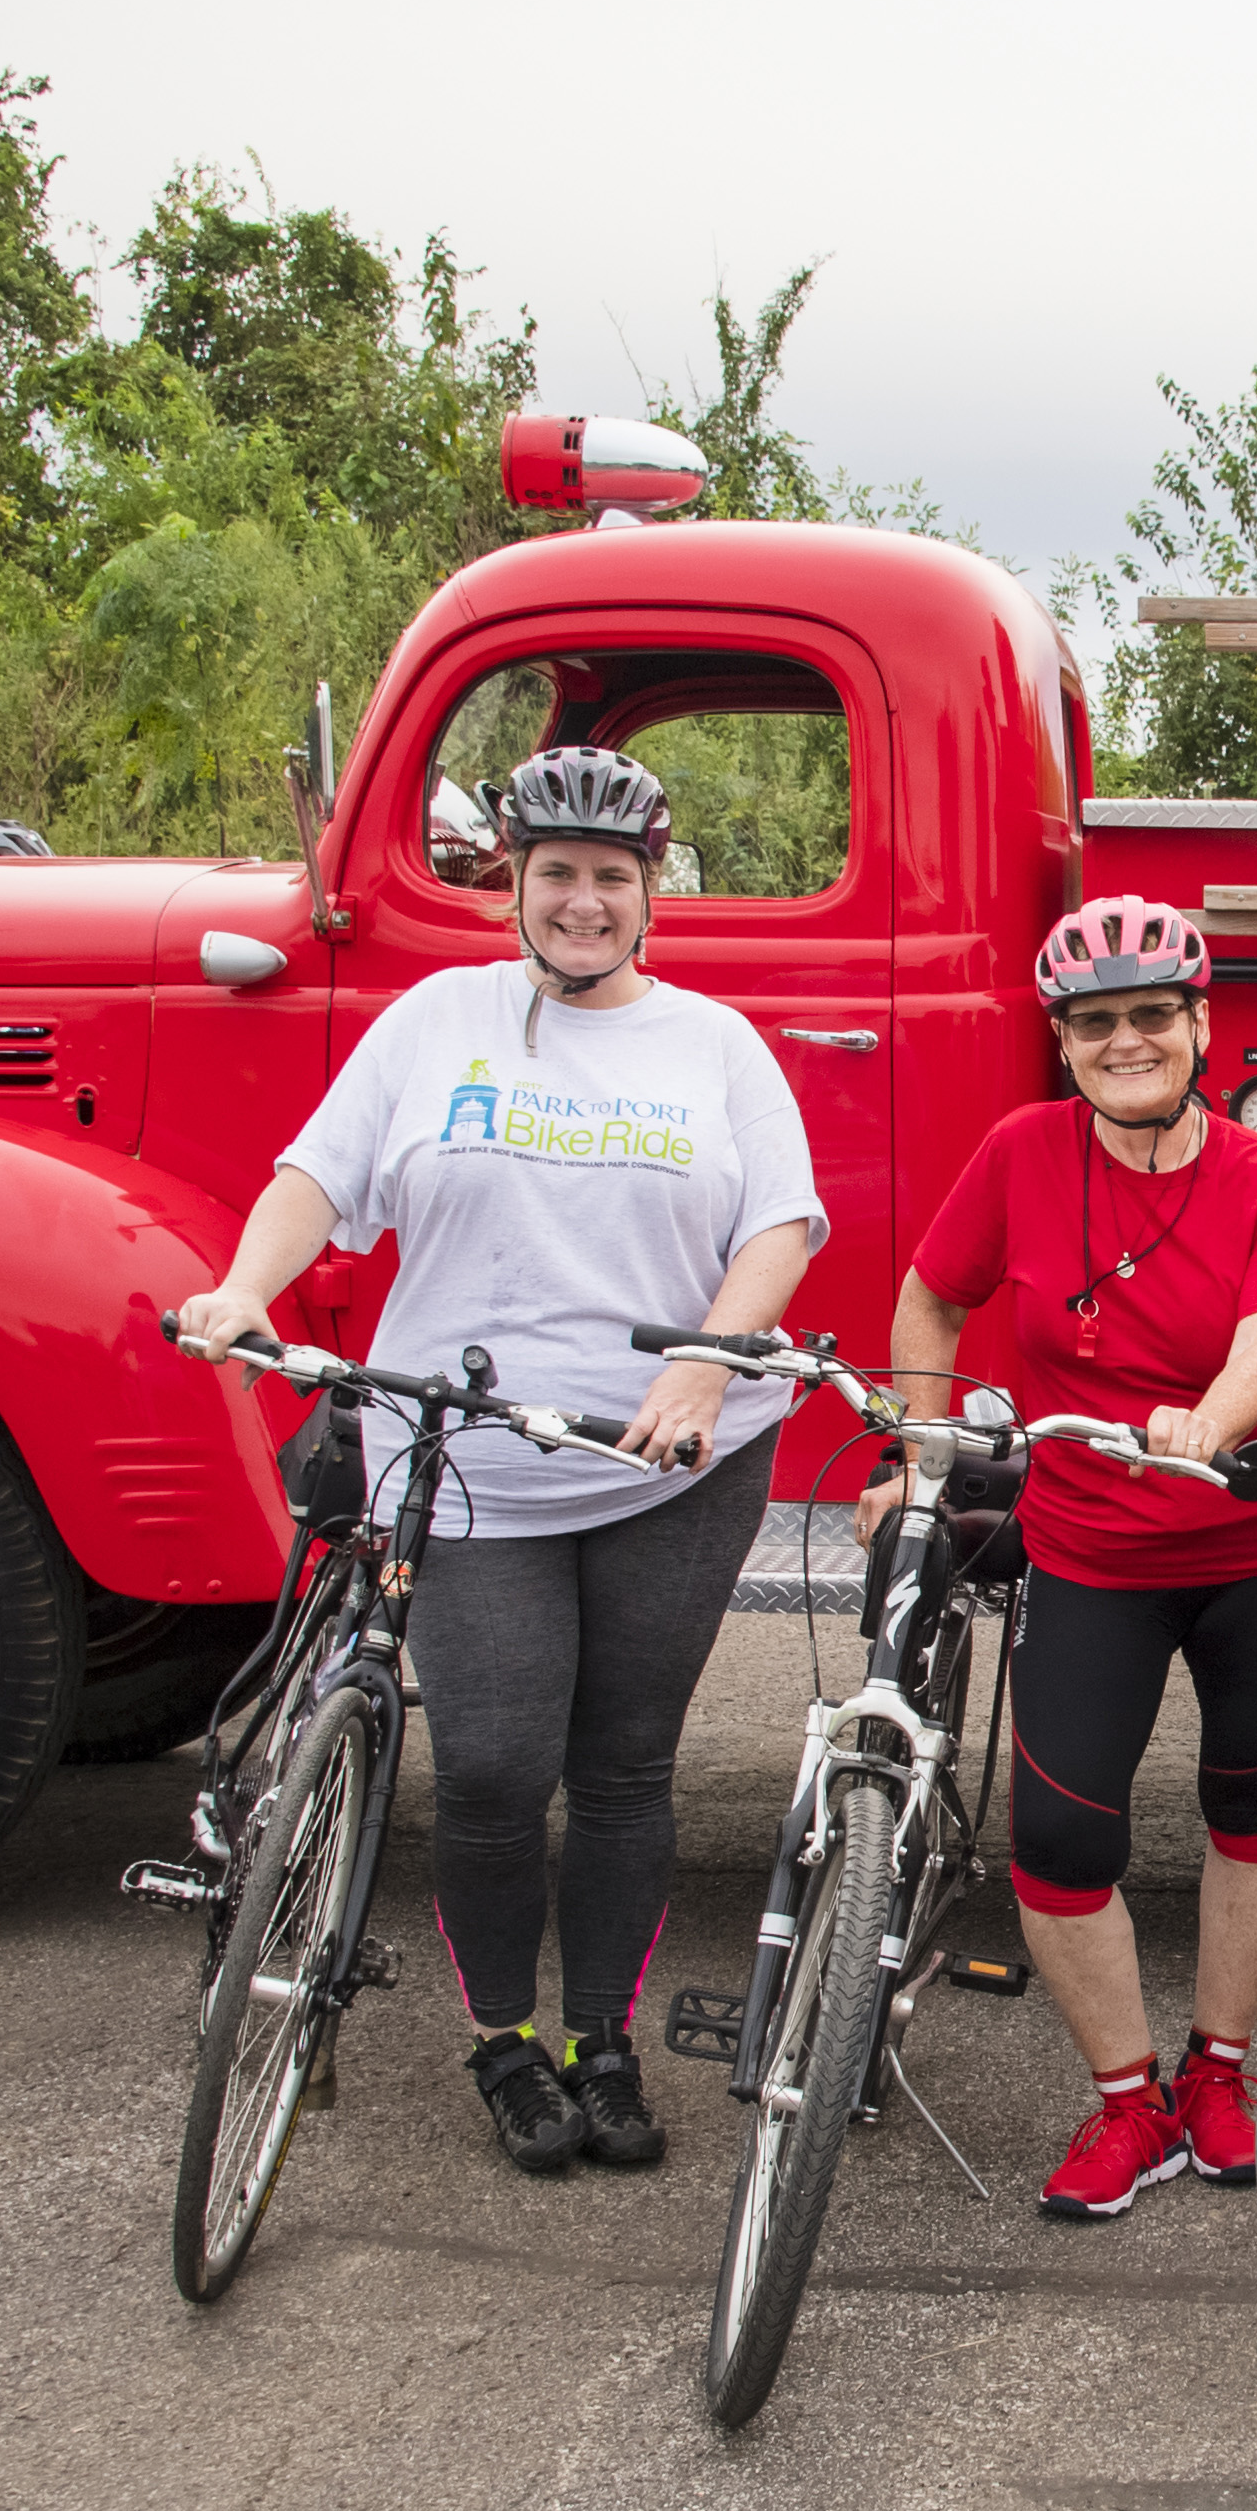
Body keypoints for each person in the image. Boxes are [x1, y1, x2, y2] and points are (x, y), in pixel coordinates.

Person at [168, 747, 820, 2182]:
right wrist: (241, 1291)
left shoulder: (717, 1046)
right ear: (512, 888)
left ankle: (602, 2038)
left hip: (673, 1462)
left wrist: (702, 1364)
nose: (583, 903)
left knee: (626, 1767)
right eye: (556, 877)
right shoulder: (432, 1023)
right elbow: (315, 1179)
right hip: (470, 1455)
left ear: (653, 894)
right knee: (492, 1767)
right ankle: (504, 2042)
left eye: (612, 878)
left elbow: (784, 1224)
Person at [864, 896, 1257, 2218]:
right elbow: (933, 1291)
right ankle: (1129, 2103)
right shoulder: (1022, 1151)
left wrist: (1212, 1418)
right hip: (1091, 1545)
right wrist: (917, 1446)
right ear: (1064, 1045)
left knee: (1254, 1811)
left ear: (1200, 1027)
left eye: (1153, 1014)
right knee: (1061, 1841)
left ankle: (1222, 2076)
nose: (1127, 1039)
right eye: (1097, 1023)